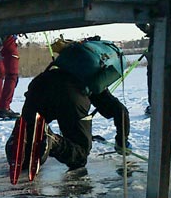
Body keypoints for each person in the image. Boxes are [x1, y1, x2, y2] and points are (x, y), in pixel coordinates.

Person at [11, 38, 130, 171]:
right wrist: (122, 141)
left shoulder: (69, 62)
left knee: (27, 132)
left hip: (40, 84)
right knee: (79, 156)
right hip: (69, 95)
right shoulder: (92, 78)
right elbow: (121, 111)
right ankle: (53, 141)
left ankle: (18, 143)